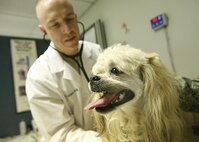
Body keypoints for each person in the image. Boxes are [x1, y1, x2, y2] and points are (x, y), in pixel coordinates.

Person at [25, 0, 102, 141]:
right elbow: (61, 134)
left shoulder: (96, 51)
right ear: (44, 30)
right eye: (55, 24)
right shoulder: (38, 77)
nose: (67, 30)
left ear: (75, 17)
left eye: (69, 19)